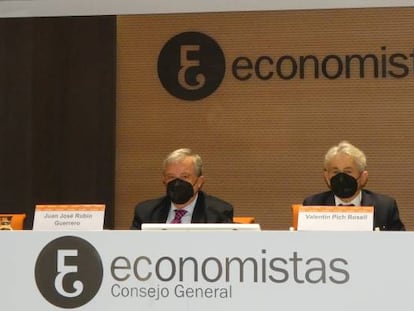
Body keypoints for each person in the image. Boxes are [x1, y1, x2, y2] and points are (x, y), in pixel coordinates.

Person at [303, 141, 405, 231]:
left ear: (363, 177)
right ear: (326, 177)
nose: (341, 178)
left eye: (348, 172)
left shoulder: (384, 207)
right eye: (336, 172)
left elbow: (400, 246)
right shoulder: (312, 205)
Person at [131, 148, 234, 229]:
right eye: (171, 177)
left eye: (185, 177)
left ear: (199, 182)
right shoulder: (145, 212)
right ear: (164, 181)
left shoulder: (218, 213)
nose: (177, 183)